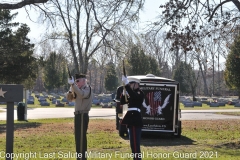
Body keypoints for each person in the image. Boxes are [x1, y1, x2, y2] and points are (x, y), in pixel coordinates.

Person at [67, 73, 92, 160]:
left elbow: (82, 94)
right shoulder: (78, 89)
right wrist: (71, 87)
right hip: (77, 115)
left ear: (84, 81)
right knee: (78, 138)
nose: (76, 82)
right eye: (76, 81)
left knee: (81, 139)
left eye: (78, 81)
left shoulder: (87, 88)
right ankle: (79, 157)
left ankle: (82, 158)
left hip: (82, 115)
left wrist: (74, 85)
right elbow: (69, 98)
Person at [121, 76, 145, 160]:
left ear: (136, 84)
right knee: (132, 143)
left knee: (135, 143)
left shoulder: (139, 93)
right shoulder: (131, 93)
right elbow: (123, 101)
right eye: (129, 84)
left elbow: (134, 96)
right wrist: (124, 92)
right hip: (131, 119)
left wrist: (127, 85)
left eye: (131, 84)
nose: (130, 85)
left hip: (135, 119)